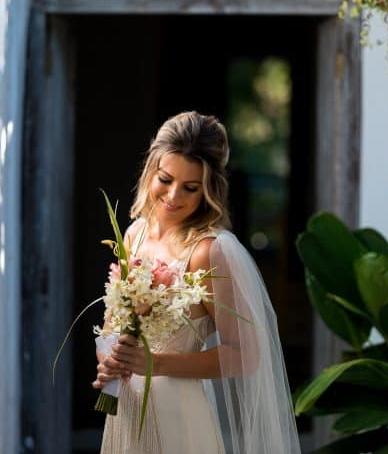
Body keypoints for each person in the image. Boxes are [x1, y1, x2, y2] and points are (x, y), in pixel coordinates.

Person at [92, 111, 301, 454]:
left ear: (208, 190)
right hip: (125, 413)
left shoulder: (208, 251)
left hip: (179, 418)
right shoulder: (133, 234)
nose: (174, 195)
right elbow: (115, 325)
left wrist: (155, 364)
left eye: (191, 188)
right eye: (165, 179)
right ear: (151, 170)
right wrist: (109, 361)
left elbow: (245, 355)